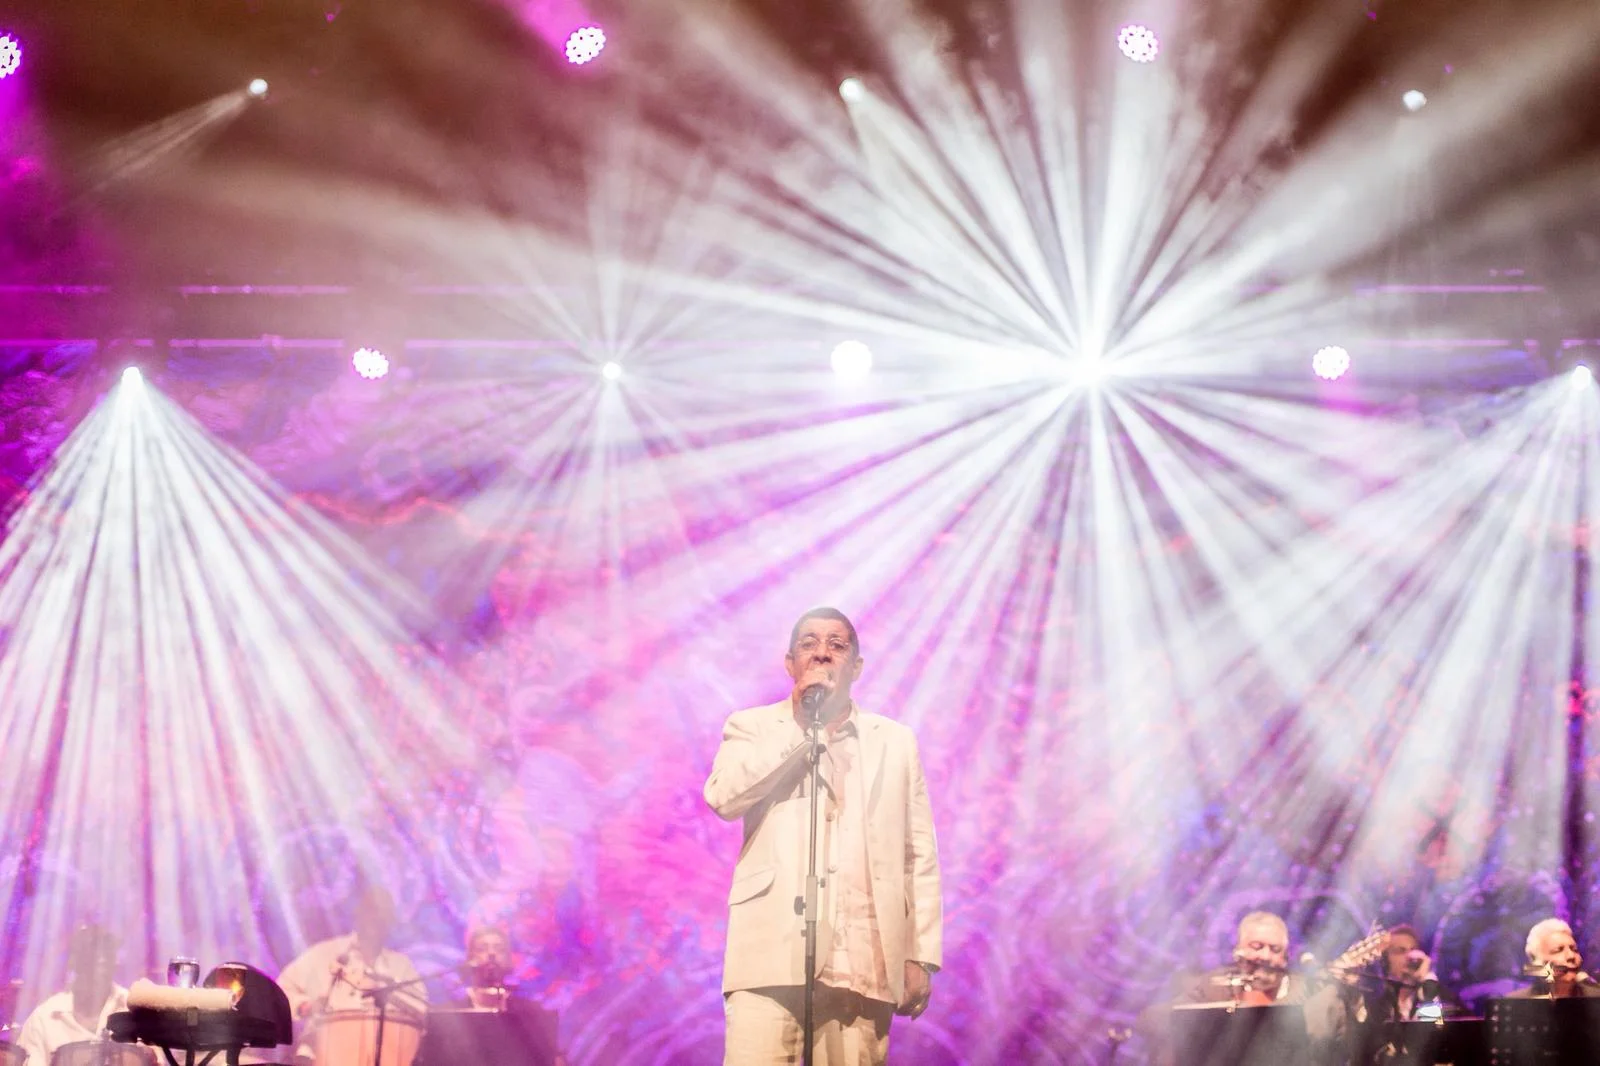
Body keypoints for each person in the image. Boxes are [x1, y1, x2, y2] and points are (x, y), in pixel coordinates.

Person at [704, 607, 942, 1066]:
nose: (822, 653)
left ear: (857, 666)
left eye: (837, 645)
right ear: (790, 663)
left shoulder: (895, 741)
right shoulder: (752, 726)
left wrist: (920, 954)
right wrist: (800, 726)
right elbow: (724, 798)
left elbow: (918, 855)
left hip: (864, 959)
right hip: (770, 952)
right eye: (809, 643)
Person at [276, 885, 428, 1063]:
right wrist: (305, 1006)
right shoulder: (324, 954)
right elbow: (280, 991)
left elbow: (421, 1010)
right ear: (357, 913)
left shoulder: (401, 966)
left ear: (392, 922)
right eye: (371, 910)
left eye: (384, 913)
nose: (377, 918)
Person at [441, 924, 566, 1066]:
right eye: (482, 949)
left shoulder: (532, 1013)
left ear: (508, 959)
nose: (491, 954)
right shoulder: (449, 1015)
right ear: (469, 959)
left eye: (499, 949)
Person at [14, 925, 131, 1066]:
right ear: (74, 963)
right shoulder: (44, 1018)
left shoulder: (133, 1008)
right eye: (93, 953)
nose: (102, 960)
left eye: (108, 952)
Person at [1510, 917, 1600, 999]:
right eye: (1558, 950)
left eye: (1574, 949)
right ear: (1536, 961)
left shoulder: (1596, 998)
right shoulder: (1515, 1003)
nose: (1571, 956)